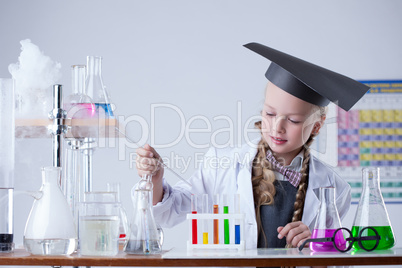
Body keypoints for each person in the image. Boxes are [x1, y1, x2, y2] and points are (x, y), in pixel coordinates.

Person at [135, 43, 370, 249]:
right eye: (270, 113)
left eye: (293, 120)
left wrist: (316, 244)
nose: (277, 127)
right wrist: (155, 181)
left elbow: (334, 256)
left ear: (317, 127)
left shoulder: (334, 189)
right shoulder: (222, 165)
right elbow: (168, 213)